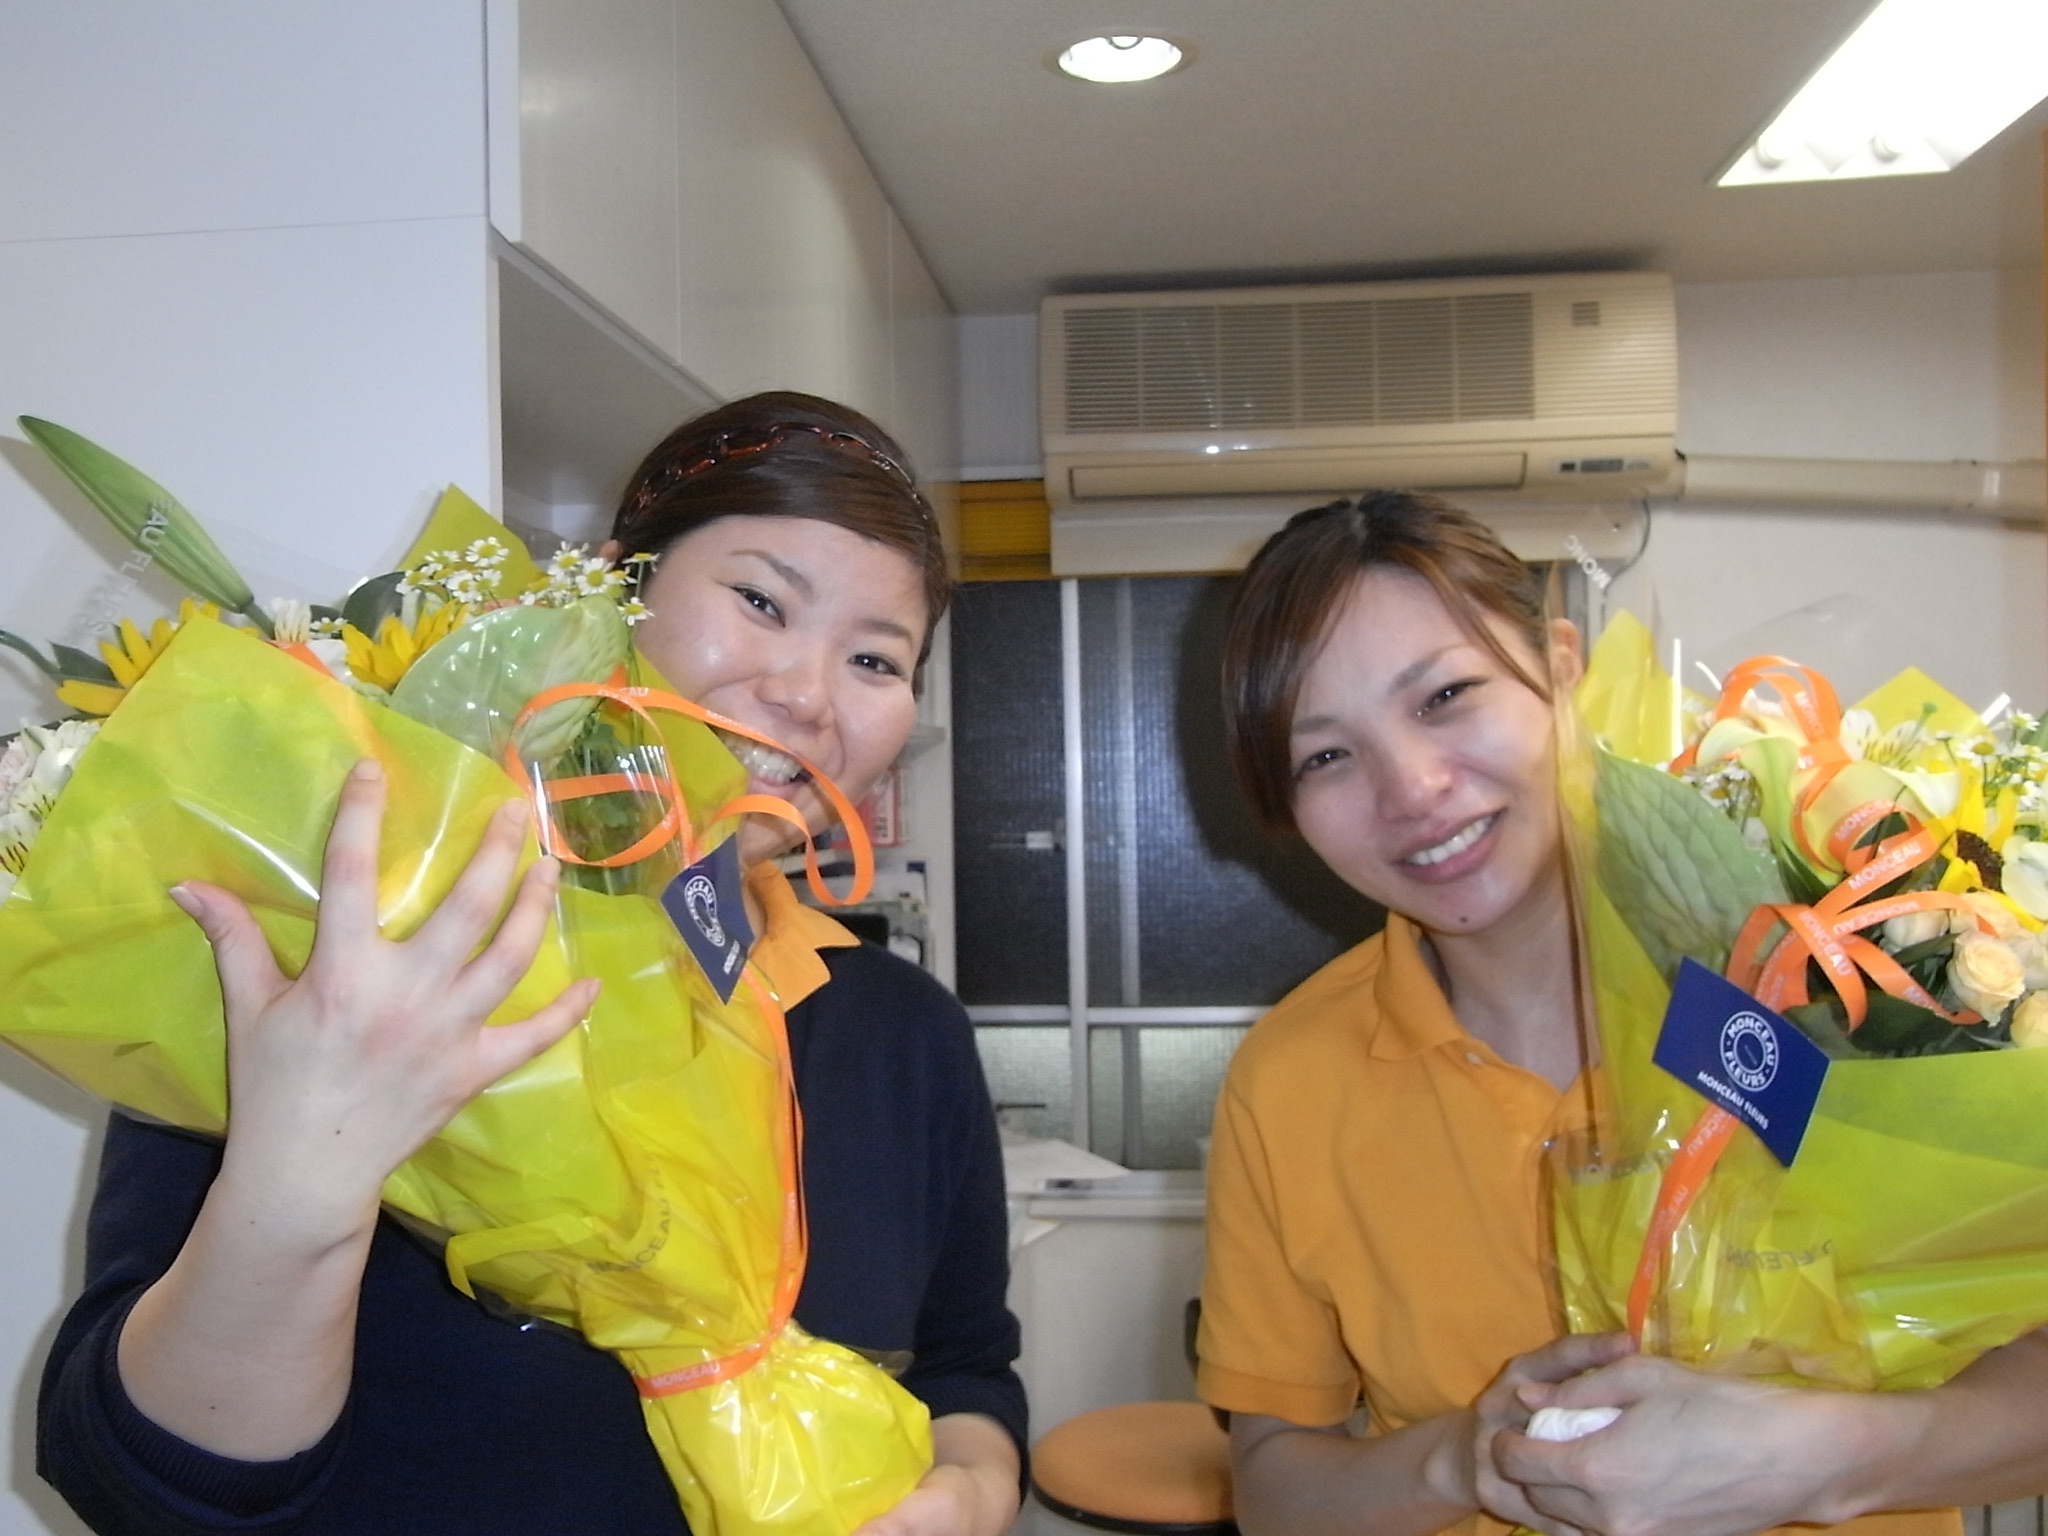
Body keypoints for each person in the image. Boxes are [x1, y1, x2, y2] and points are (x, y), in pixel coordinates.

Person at [38, 391, 1026, 1536]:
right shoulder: (354, 949)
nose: (806, 695)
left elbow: (964, 1367)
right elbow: (131, 1480)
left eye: (873, 658)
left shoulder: (904, 1030)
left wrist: (969, 1495)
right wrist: (301, 1177)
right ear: (602, 593)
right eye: (760, 601)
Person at [1193, 490, 2048, 1536]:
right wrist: (1464, 1461)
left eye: (1446, 696)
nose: (1411, 787)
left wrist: (1824, 1460)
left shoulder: (1840, 967)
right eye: (1325, 755)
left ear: (1562, 670)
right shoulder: (1289, 1080)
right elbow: (1274, 1487)